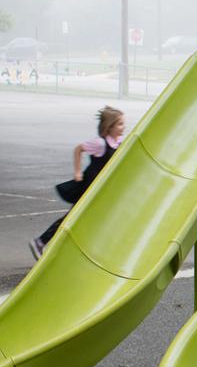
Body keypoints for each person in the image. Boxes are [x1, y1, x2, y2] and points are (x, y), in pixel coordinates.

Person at [31, 106, 127, 260]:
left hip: (102, 188)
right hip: (90, 186)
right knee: (73, 216)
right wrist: (77, 171)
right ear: (109, 127)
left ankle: (90, 248)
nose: (124, 127)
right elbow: (78, 149)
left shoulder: (120, 142)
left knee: (95, 217)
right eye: (120, 124)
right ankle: (40, 241)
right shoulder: (100, 144)